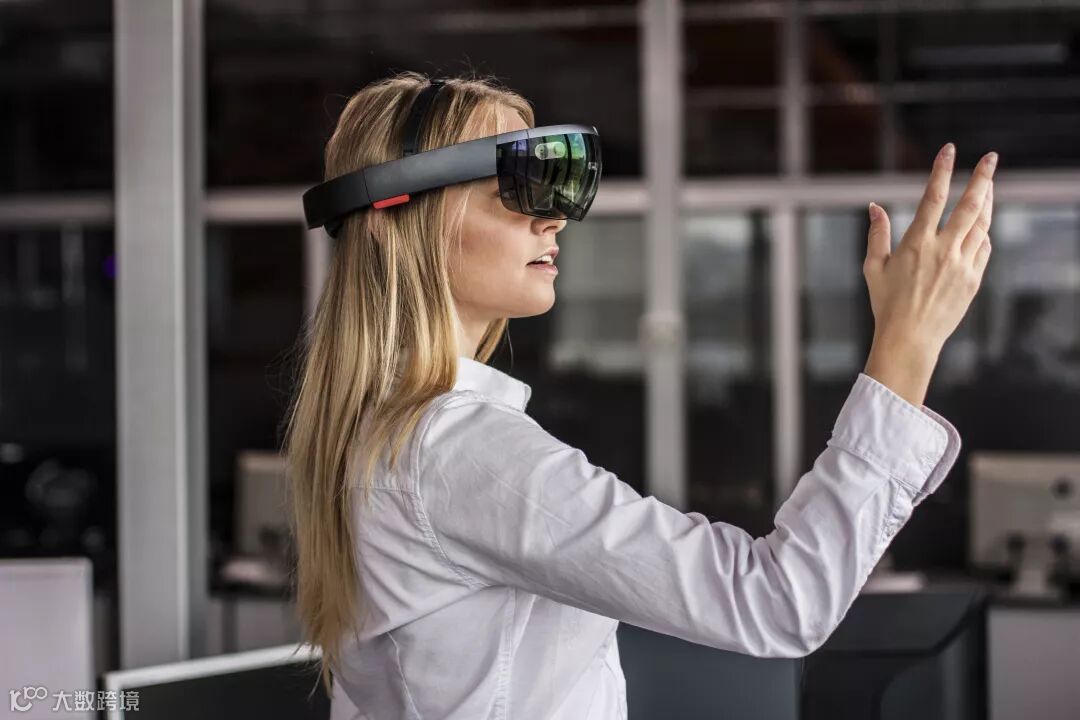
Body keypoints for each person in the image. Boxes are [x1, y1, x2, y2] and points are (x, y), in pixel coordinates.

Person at [281, 71, 996, 719]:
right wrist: (906, 345)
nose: (553, 218)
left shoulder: (386, 433)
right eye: (517, 187)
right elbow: (778, 602)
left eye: (555, 187)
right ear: (396, 217)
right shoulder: (458, 451)